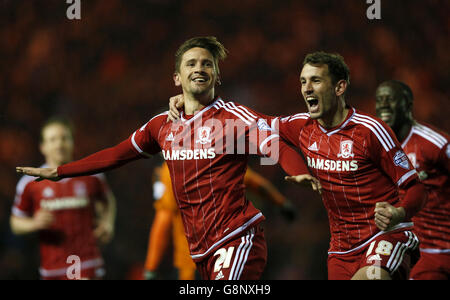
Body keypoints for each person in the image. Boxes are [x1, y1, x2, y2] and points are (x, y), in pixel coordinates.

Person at [16, 37, 319, 280]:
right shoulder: (161, 125)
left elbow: (274, 144)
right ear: (177, 77)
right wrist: (61, 171)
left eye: (207, 64)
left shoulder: (232, 118)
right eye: (191, 63)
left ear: (217, 74)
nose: (199, 68)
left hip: (237, 238)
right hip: (200, 249)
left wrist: (297, 170)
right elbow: (116, 154)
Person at [168, 51, 427, 280]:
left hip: (386, 236)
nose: (306, 88)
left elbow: (415, 188)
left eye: (315, 80)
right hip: (341, 249)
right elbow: (249, 123)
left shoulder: (370, 131)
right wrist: (191, 104)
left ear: (339, 87)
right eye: (303, 81)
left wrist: (399, 213)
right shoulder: (301, 126)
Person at [143, 160, 296, 280]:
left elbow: (163, 221)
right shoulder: (220, 159)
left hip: (194, 265)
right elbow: (254, 181)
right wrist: (281, 202)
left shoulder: (171, 170)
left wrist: (151, 267)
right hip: (231, 255)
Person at [11, 117, 116, 280]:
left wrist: (108, 222)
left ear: (72, 142)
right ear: (42, 147)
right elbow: (15, 223)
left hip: (87, 263)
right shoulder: (30, 183)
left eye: (64, 138)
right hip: (52, 268)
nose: (59, 144)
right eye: (52, 139)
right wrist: (34, 223)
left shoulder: (92, 175)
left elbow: (108, 200)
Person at [375, 80, 449, 280]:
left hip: (439, 250)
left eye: (389, 99)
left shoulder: (435, 144)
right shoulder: (379, 147)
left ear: (408, 105)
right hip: (408, 248)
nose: (383, 104)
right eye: (379, 100)